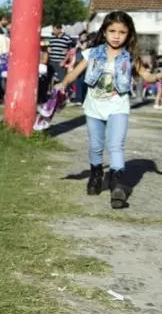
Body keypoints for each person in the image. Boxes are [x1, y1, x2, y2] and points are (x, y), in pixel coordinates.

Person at [56, 12, 161, 208]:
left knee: (116, 144)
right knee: (96, 146)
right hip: (94, 107)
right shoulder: (92, 53)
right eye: (112, 31)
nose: (116, 35)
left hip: (118, 107)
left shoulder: (131, 57)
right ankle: (96, 175)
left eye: (122, 32)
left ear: (129, 35)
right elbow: (75, 73)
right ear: (104, 32)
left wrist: (157, 77)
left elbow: (146, 75)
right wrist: (61, 85)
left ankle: (117, 184)